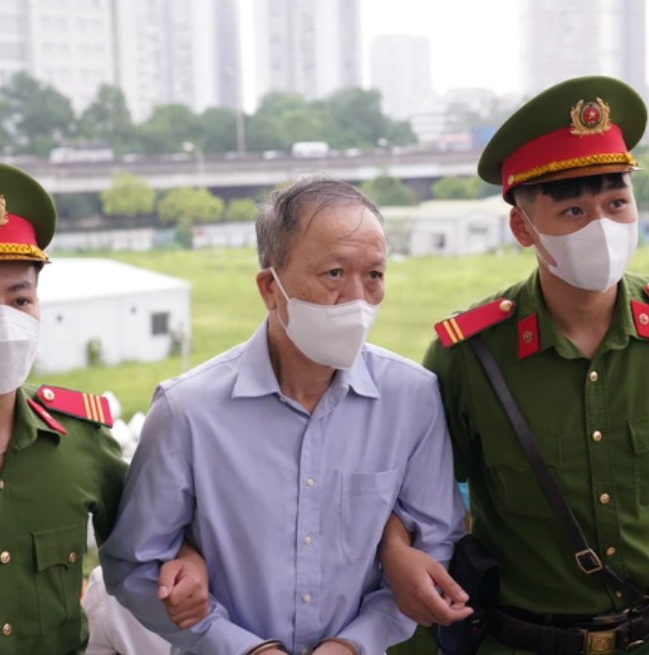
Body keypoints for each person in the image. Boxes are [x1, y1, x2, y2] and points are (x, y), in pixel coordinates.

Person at [380, 76, 649, 654]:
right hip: (521, 642)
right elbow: (414, 490)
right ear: (523, 227)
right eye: (573, 210)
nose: (601, 226)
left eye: (616, 203)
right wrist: (394, 550)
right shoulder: (471, 354)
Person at [99, 177, 466, 655]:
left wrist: (354, 643)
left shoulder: (411, 398)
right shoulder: (187, 411)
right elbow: (135, 563)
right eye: (334, 273)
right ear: (271, 287)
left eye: (374, 275)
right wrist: (241, 647)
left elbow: (434, 543)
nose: (357, 298)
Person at [0, 162, 206, 654]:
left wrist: (186, 557)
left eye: (20, 300)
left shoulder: (82, 441)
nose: (3, 321)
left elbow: (150, 539)